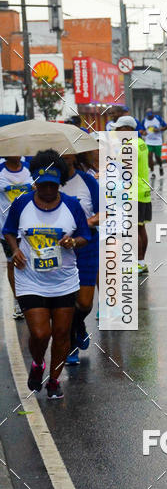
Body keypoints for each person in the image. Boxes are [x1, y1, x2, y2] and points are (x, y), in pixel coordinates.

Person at [2, 150, 91, 399]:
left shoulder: (71, 205)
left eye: (53, 185)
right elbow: (8, 230)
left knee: (62, 334)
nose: (48, 190)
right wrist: (16, 249)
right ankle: (38, 363)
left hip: (63, 281)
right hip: (29, 278)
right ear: (35, 183)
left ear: (59, 182)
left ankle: (54, 381)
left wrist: (73, 241)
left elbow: (86, 235)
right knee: (41, 333)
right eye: (43, 185)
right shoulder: (22, 203)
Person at [60, 154, 100, 365]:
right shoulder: (46, 183)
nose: (64, 156)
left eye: (68, 152)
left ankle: (78, 325)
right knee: (65, 302)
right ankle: (71, 343)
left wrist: (88, 222)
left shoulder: (87, 180)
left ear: (74, 155)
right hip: (59, 250)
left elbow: (106, 211)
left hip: (87, 245)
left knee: (84, 303)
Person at [113, 115, 152, 273]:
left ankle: (137, 262)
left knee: (132, 230)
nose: (116, 132)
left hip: (132, 193)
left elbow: (123, 171)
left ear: (128, 129)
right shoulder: (141, 143)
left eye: (119, 129)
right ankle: (141, 262)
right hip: (143, 191)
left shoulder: (128, 146)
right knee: (140, 227)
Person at [0, 155, 33, 319]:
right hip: (7, 227)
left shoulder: (29, 168)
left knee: (31, 261)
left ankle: (34, 295)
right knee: (13, 263)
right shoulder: (0, 170)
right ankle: (19, 301)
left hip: (30, 226)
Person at [143, 109, 167, 177]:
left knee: (157, 157)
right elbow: (141, 129)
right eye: (148, 116)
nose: (150, 117)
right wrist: (143, 132)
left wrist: (159, 129)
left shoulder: (158, 118)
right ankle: (152, 172)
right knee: (149, 156)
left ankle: (160, 167)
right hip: (148, 141)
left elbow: (166, 126)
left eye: (151, 116)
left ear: (153, 114)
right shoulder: (144, 120)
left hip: (157, 141)